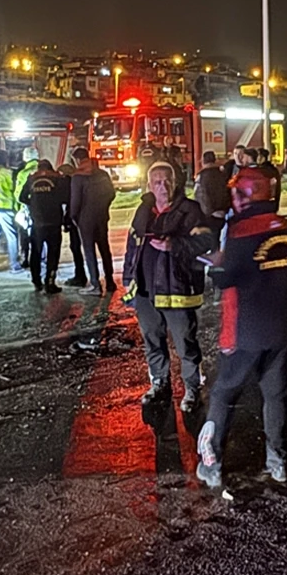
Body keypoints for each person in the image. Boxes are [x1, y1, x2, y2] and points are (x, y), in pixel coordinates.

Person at [195, 167, 287, 488]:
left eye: (236, 193)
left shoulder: (240, 232)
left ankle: (210, 465)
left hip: (245, 331)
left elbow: (227, 277)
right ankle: (278, 461)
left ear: (244, 197)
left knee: (223, 395)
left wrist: (216, 264)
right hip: (281, 328)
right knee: (275, 396)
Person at [123, 162, 214, 409]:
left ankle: (192, 388)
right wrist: (128, 280)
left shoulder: (190, 210)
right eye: (157, 182)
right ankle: (159, 382)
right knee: (152, 340)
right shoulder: (144, 210)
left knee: (185, 342)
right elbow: (133, 245)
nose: (162, 186)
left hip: (177, 291)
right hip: (145, 290)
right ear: (149, 185)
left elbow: (206, 240)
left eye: (167, 181)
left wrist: (175, 245)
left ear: (175, 183)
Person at [70, 148, 118, 295]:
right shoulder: (102, 174)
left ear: (77, 160)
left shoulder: (78, 177)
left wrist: (73, 216)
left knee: (89, 250)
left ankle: (95, 284)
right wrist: (103, 207)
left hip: (86, 219)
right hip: (102, 216)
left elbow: (75, 201)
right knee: (104, 248)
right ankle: (110, 281)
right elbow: (112, 193)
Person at [20, 159, 67, 294]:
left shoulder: (31, 179)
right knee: (53, 253)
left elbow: (21, 197)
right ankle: (50, 282)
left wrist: (33, 203)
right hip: (54, 221)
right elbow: (65, 197)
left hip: (38, 222)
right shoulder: (57, 178)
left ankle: (36, 282)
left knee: (36, 252)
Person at [57, 162, 87, 287]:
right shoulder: (79, 181)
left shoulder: (67, 183)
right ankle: (82, 275)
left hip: (75, 218)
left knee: (75, 247)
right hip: (83, 217)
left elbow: (66, 201)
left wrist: (67, 220)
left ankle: (80, 276)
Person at [14, 147, 40, 268]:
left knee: (24, 235)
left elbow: (18, 193)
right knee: (39, 234)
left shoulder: (23, 173)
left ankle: (25, 259)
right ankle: (40, 258)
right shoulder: (43, 170)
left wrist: (17, 207)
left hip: (25, 208)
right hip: (41, 208)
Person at [194, 151, 230, 240]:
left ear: (203, 161)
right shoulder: (222, 174)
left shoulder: (202, 176)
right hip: (223, 212)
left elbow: (201, 195)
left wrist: (207, 212)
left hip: (209, 214)